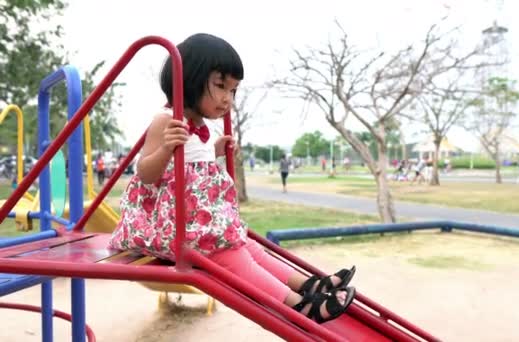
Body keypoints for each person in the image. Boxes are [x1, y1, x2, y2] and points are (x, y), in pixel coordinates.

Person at [108, 33, 355, 323]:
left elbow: (191, 165)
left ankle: (307, 285)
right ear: (190, 79)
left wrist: (213, 151)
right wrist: (165, 148)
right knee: (232, 256)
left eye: (234, 90)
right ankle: (298, 306)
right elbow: (146, 175)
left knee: (247, 246)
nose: (228, 98)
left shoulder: (200, 124)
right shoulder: (166, 120)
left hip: (193, 223)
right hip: (168, 228)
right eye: (221, 86)